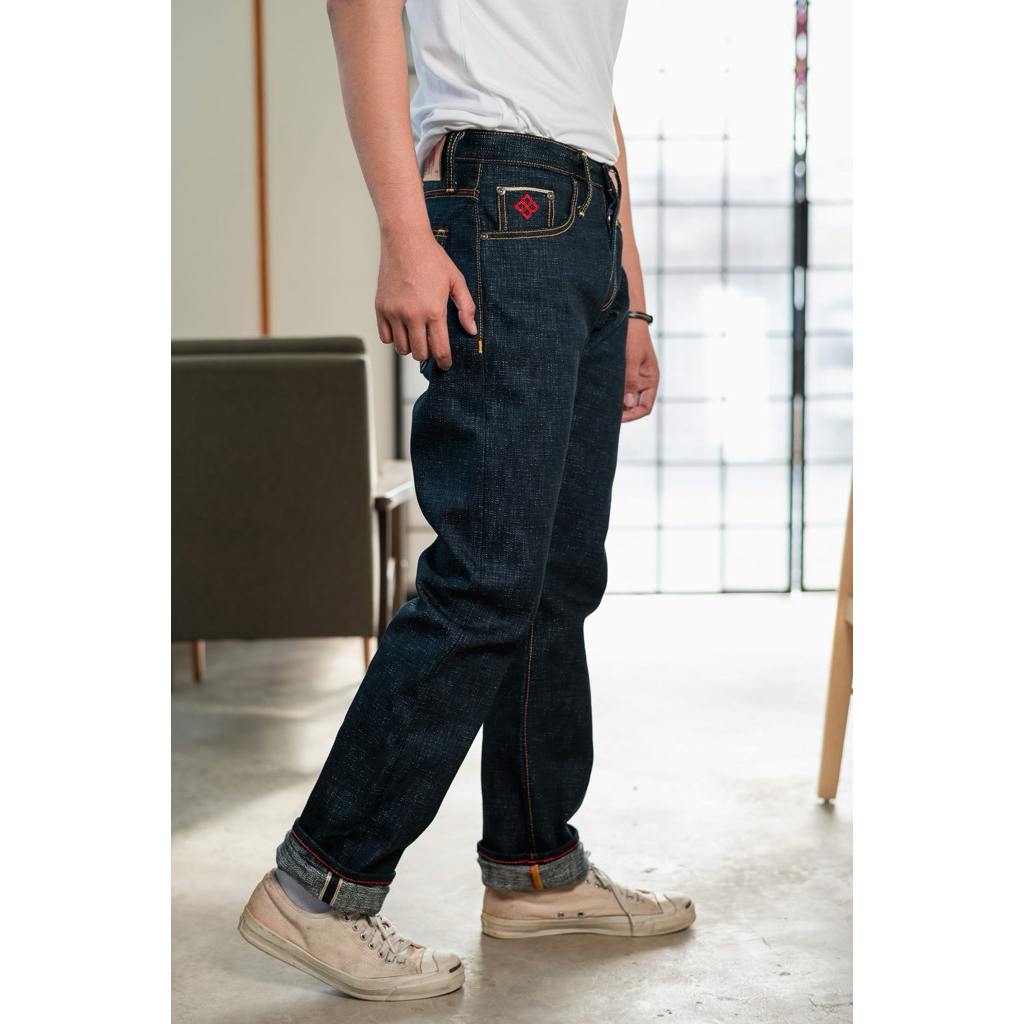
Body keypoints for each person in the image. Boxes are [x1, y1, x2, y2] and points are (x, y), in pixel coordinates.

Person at [238, 0, 695, 1001]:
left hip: (583, 215)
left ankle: (535, 870)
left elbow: (587, 93)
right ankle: (320, 884)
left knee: (557, 577)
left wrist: (628, 293)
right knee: (486, 575)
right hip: (503, 206)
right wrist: (404, 232)